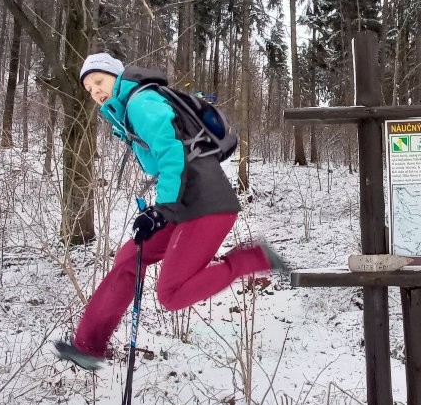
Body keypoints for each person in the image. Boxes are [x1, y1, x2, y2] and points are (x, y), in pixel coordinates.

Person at [51, 50, 284, 371]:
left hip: (205, 203)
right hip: (185, 200)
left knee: (171, 294)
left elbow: (173, 152)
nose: (96, 92)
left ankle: (255, 258)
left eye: (99, 82)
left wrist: (163, 209)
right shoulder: (128, 112)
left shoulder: (139, 104)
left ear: (117, 76)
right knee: (129, 257)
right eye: (90, 90)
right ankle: (89, 345)